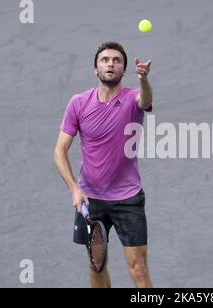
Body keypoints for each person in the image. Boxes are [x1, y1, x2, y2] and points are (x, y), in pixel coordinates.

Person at [53, 41, 153, 288]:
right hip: (90, 200)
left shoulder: (132, 99)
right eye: (105, 60)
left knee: (139, 268)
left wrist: (144, 79)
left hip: (128, 198)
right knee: (96, 263)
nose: (111, 64)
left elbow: (145, 99)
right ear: (95, 69)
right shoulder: (78, 103)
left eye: (117, 60)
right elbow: (59, 150)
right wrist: (74, 189)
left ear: (124, 69)